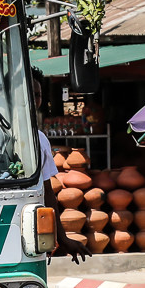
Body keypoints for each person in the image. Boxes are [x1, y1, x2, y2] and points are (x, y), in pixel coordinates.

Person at [32, 69, 90, 264]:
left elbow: (48, 191)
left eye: (37, 95)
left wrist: (61, 237)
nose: (33, 100)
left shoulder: (40, 140)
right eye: (28, 94)